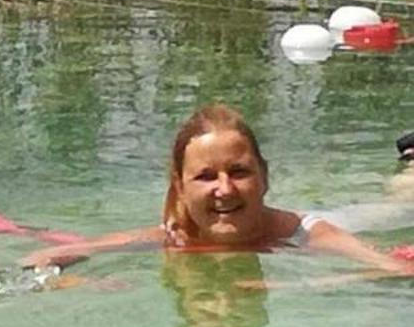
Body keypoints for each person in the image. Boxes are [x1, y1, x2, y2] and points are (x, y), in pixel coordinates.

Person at [25, 102, 414, 274]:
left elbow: (397, 268)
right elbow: (44, 259)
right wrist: (83, 283)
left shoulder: (312, 235)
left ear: (264, 177)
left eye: (240, 172)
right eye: (206, 176)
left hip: (333, 224)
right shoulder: (173, 237)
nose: (224, 189)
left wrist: (309, 286)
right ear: (179, 187)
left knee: (401, 204)